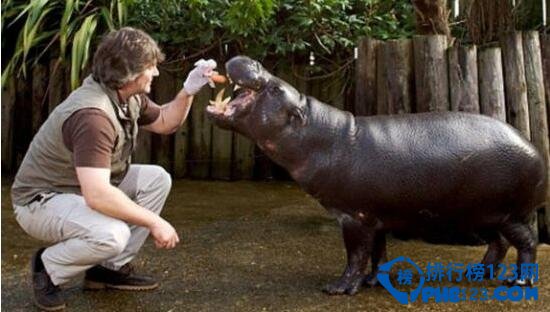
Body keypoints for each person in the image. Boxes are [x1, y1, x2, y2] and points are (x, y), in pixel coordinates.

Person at [11, 27, 217, 311]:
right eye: (151, 67)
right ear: (130, 73)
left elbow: (167, 121)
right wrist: (154, 222)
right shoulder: (93, 116)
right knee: (112, 234)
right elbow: (98, 196)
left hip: (78, 189)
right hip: (42, 200)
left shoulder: (126, 95)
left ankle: (106, 269)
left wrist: (189, 90)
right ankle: (48, 267)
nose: (155, 73)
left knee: (156, 179)